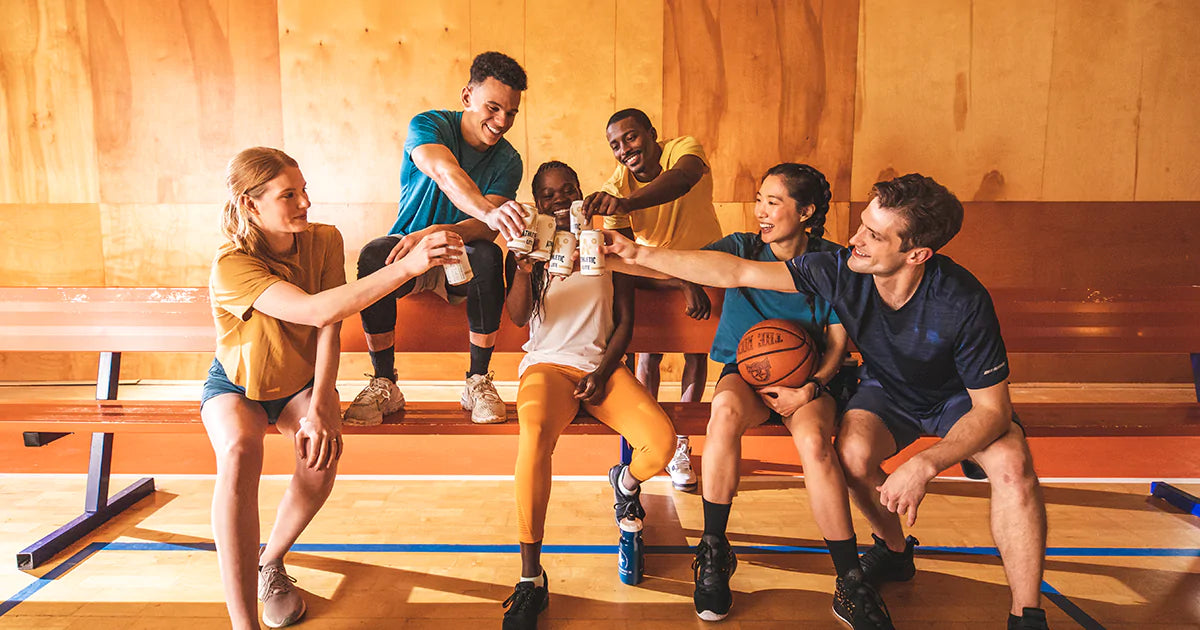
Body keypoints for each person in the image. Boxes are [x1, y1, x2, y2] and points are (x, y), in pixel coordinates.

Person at [602, 173, 1050, 630]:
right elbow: (735, 271)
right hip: (886, 392)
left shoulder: (961, 299)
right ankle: (893, 553)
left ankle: (1026, 615)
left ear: (916, 254)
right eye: (861, 225)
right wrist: (633, 252)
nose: (855, 239)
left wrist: (927, 462)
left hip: (957, 398)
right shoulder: (841, 268)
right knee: (851, 455)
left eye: (874, 235)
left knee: (1013, 462)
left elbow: (992, 410)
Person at [203, 147, 463, 629]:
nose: (304, 202)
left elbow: (331, 322)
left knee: (320, 454)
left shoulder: (322, 239)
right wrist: (406, 268)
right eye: (289, 195)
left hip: (301, 382)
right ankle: (244, 624)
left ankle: (270, 563)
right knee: (239, 450)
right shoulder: (232, 264)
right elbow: (315, 310)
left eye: (304, 190)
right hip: (237, 386)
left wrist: (323, 399)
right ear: (251, 204)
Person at [500, 161, 677, 630]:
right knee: (533, 437)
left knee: (661, 445)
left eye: (568, 190)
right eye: (548, 194)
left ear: (581, 191)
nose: (559, 199)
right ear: (537, 201)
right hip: (545, 367)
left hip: (602, 369)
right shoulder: (527, 244)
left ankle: (625, 482)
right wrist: (521, 269)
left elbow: (625, 322)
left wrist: (601, 372)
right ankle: (530, 578)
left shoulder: (606, 241)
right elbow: (517, 317)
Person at [344, 51, 530, 426]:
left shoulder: (509, 160)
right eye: (492, 108)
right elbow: (445, 173)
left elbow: (485, 227)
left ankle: (478, 380)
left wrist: (440, 232)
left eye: (511, 113)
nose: (501, 122)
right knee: (373, 254)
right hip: (409, 252)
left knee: (488, 255)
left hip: (460, 261)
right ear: (467, 98)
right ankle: (384, 381)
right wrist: (428, 236)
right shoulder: (429, 125)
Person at [582, 107, 724, 492]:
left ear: (652, 134)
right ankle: (652, 435)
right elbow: (628, 256)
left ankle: (681, 444)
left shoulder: (683, 150)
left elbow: (681, 181)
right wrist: (679, 279)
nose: (624, 148)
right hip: (658, 273)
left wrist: (628, 205)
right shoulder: (614, 190)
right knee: (649, 354)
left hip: (706, 263)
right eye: (615, 145)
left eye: (630, 137)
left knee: (697, 354)